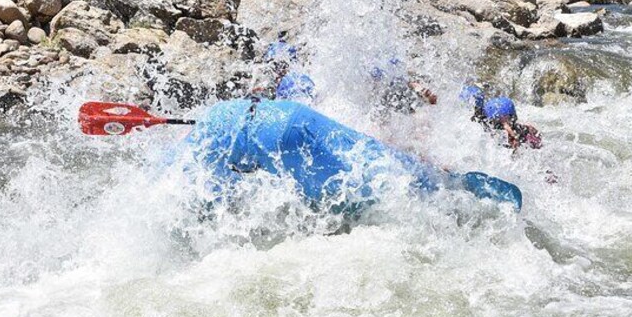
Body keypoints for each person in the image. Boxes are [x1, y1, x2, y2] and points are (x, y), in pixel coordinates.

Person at [181, 99, 522, 216]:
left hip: (231, 125)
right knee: (391, 180)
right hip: (288, 117)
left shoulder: (192, 146)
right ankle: (456, 191)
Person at [369, 58, 437, 113]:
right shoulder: (424, 80)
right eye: (428, 92)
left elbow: (389, 104)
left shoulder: (412, 103)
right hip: (394, 76)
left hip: (388, 86)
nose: (426, 92)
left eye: (427, 94)